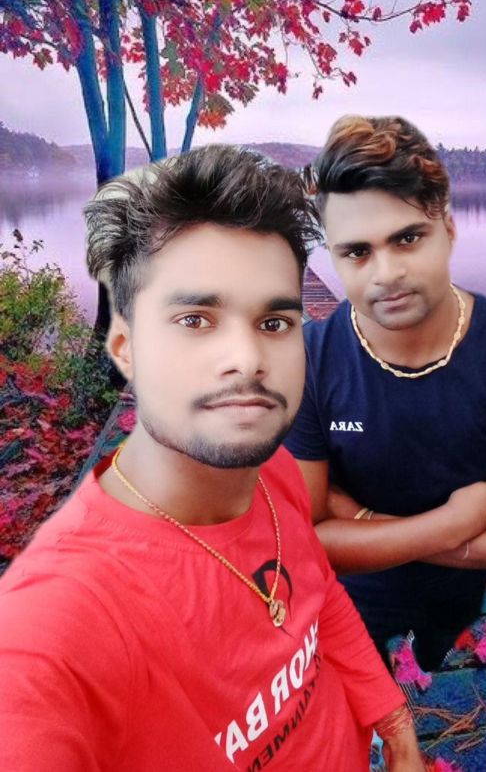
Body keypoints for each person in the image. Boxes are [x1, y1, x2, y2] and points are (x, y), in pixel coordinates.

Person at [0, 145, 424, 771]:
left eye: (275, 323)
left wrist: (393, 721)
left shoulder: (273, 470)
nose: (247, 360)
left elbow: (319, 596)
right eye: (196, 319)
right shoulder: (54, 629)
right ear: (125, 349)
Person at [285, 115, 486, 672]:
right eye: (356, 252)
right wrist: (455, 523)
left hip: (460, 587)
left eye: (408, 238)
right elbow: (309, 536)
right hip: (356, 587)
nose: (386, 273)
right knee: (366, 679)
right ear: (333, 258)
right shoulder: (309, 361)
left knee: (436, 648)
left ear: (449, 229)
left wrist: (358, 520)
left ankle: (430, 652)